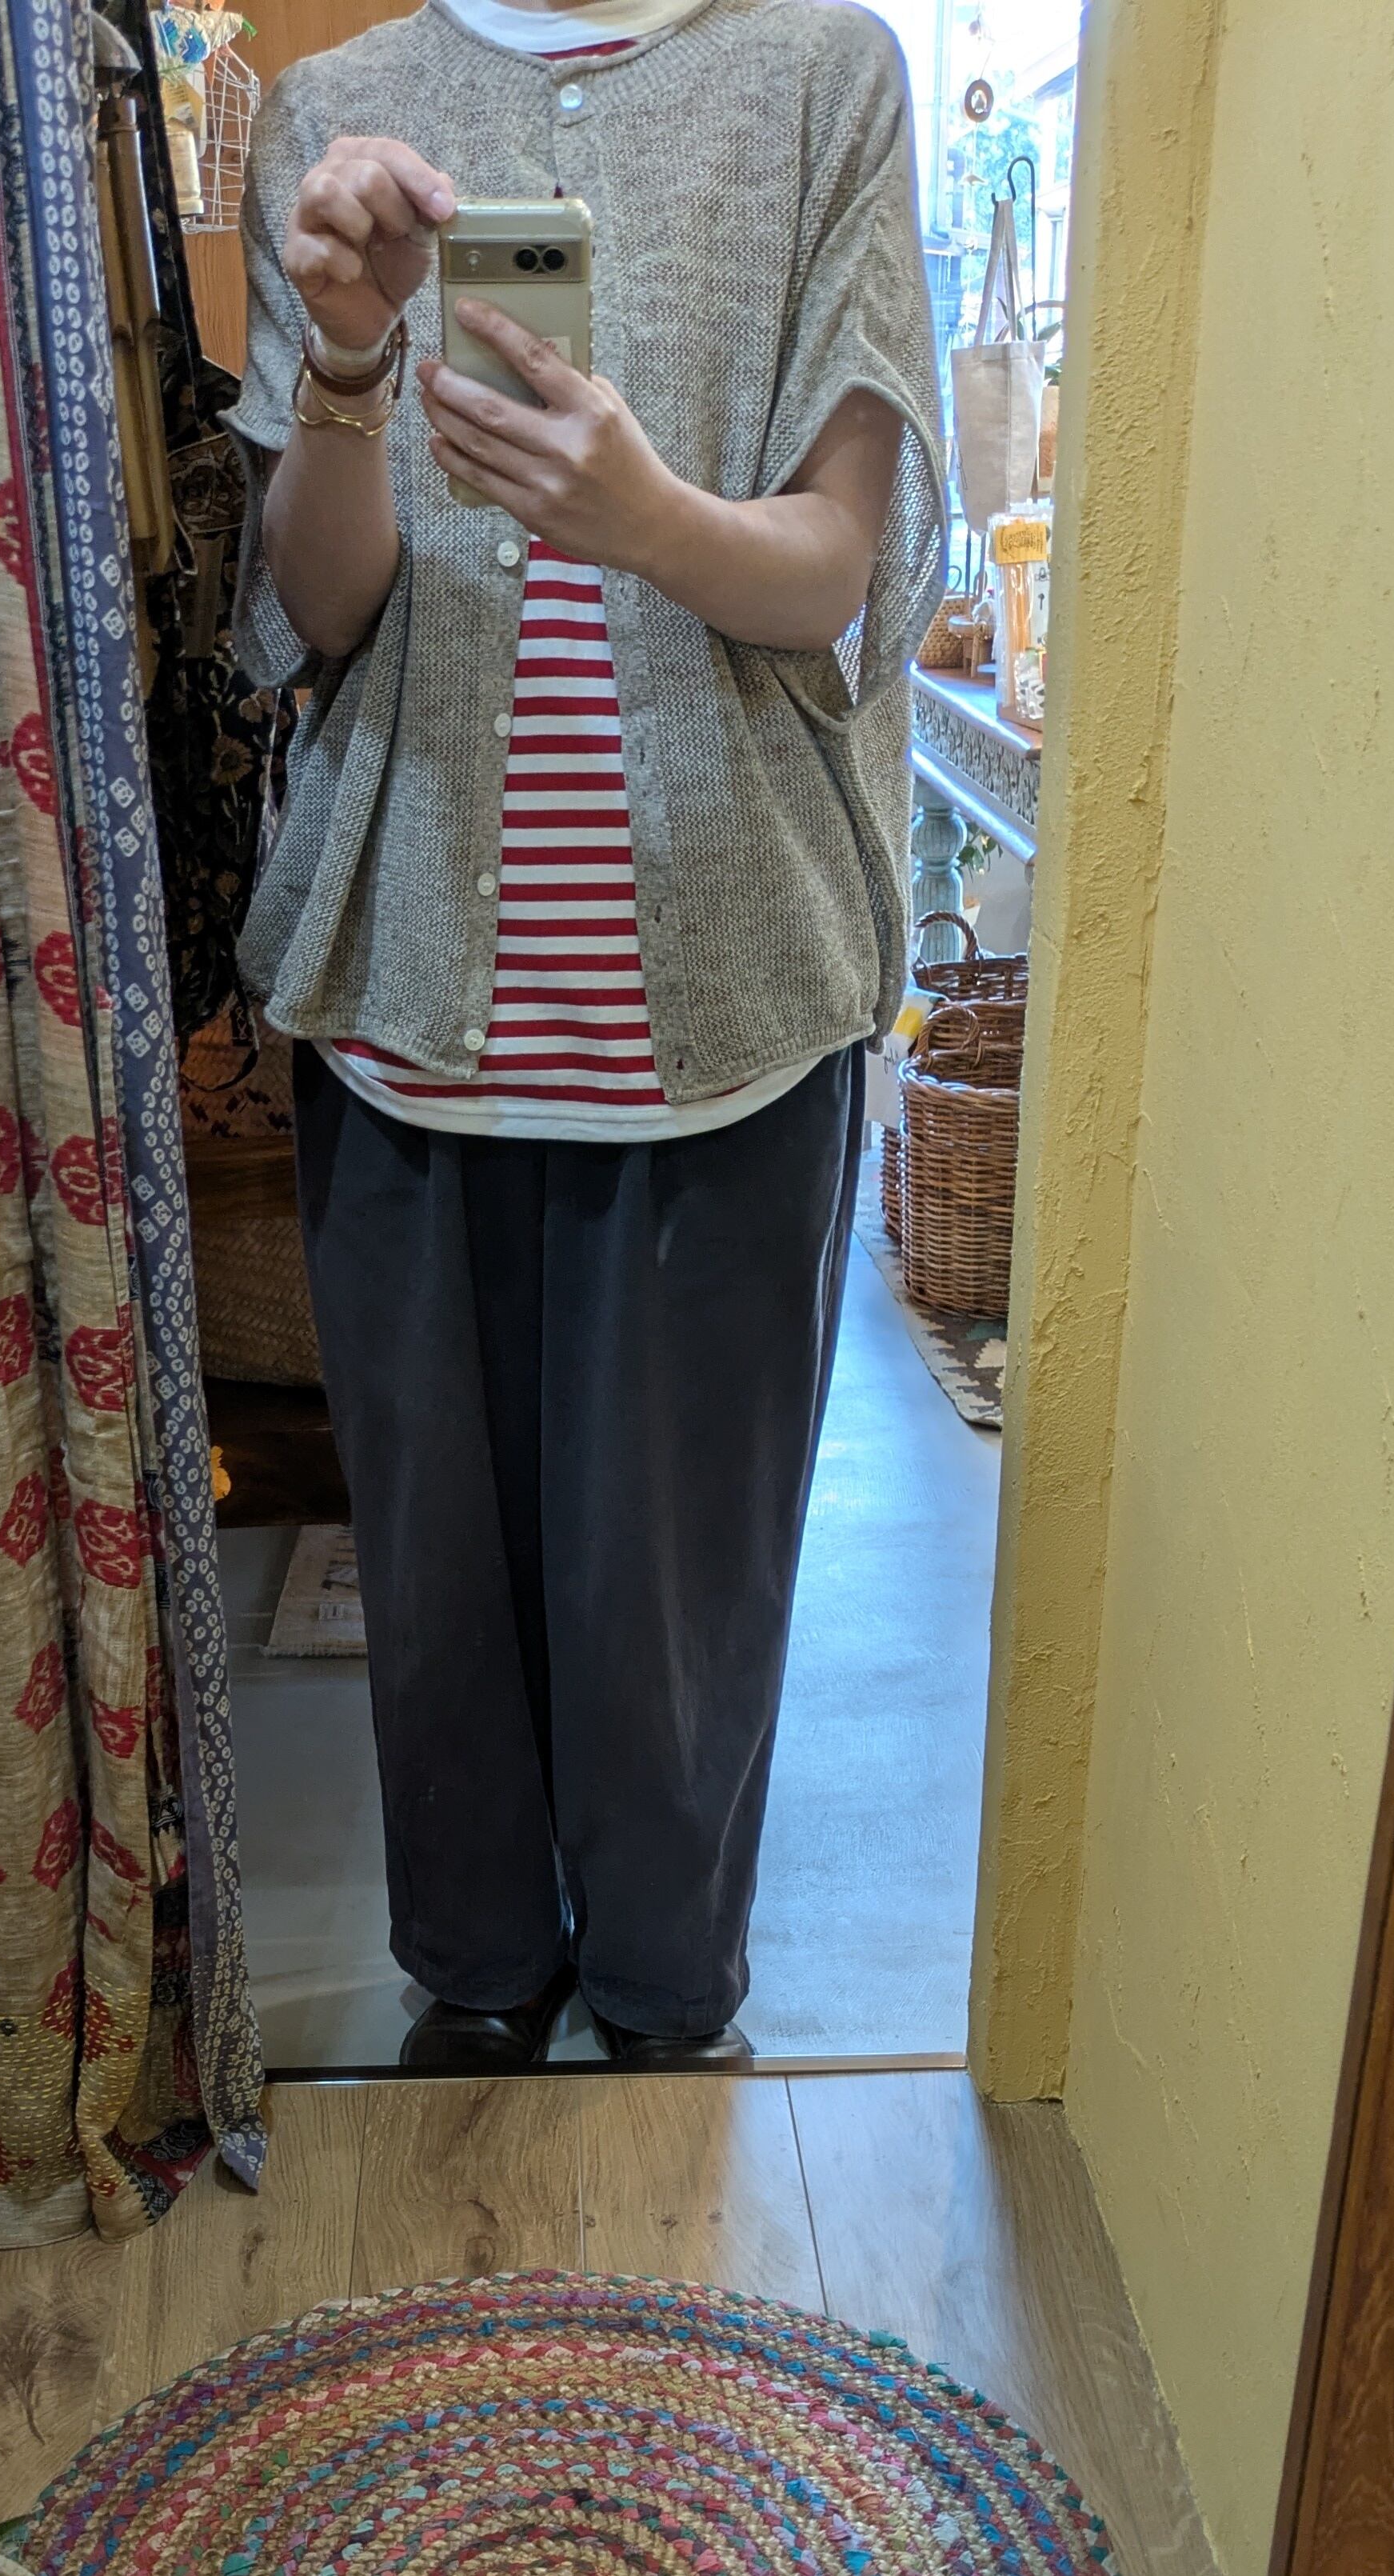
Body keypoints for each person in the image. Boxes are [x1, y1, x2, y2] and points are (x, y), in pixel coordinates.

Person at [226, 0, 943, 2072]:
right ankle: (474, 1984)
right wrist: (346, 369)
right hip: (404, 1007)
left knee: (682, 1607)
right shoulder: (334, 115)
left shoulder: (824, 77)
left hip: (731, 1010)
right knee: (436, 1593)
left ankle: (660, 2009)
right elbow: (325, 610)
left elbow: (836, 566)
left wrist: (644, 516)